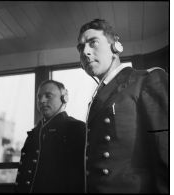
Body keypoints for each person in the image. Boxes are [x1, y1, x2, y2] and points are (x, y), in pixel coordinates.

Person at [77, 19, 168, 193]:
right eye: (81, 48)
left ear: (115, 47)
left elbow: (166, 154)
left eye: (93, 43)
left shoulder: (147, 80)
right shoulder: (97, 97)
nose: (86, 52)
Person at [15, 80, 85, 193]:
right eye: (39, 97)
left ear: (64, 98)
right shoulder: (34, 133)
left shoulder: (76, 128)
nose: (42, 101)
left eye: (48, 96)